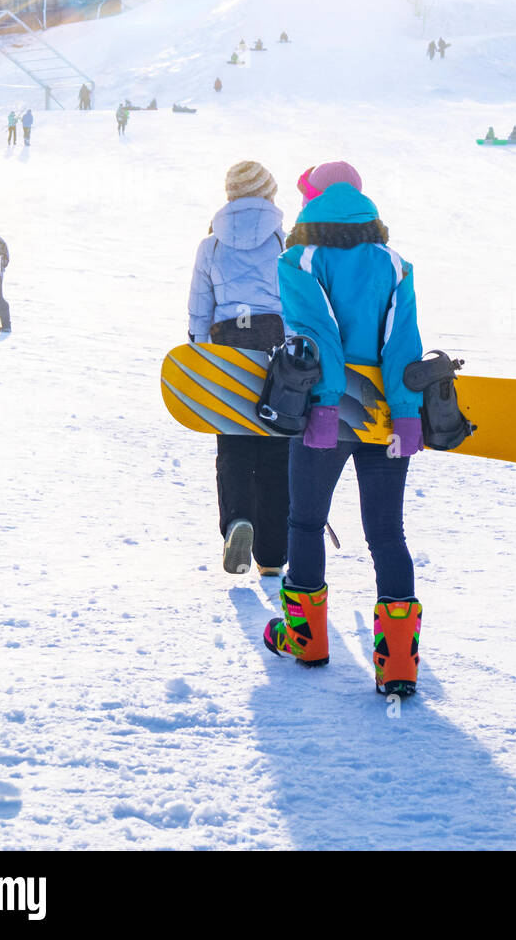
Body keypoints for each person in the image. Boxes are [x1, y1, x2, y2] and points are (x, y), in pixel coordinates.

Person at [263, 160, 425, 696]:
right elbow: (405, 342)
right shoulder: (393, 262)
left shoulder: (299, 258)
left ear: (311, 199)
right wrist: (405, 411)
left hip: (322, 412)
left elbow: (317, 332)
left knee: (306, 521)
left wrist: (328, 402)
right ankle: (398, 663)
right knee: (387, 533)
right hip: (383, 417)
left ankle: (306, 640)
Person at [189, 160, 290, 577]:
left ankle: (237, 522)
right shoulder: (286, 241)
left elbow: (199, 311)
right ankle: (272, 557)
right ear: (268, 193)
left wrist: (200, 357)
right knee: (275, 451)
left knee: (232, 447)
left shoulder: (210, 246)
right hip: (277, 358)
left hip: (228, 357)